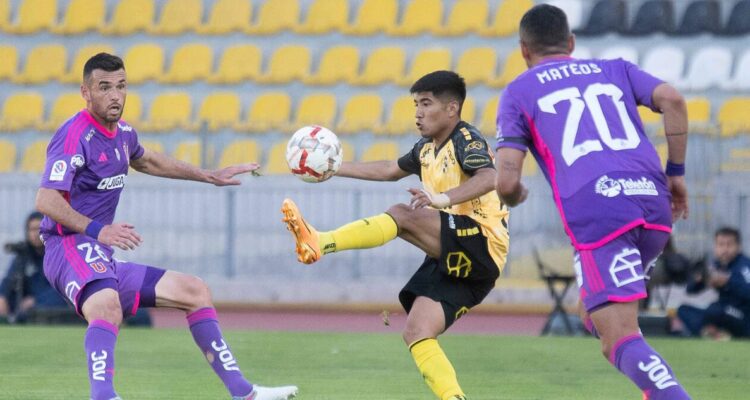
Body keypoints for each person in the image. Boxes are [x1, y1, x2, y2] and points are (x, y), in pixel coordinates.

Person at [34, 53, 297, 400]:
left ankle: (244, 393)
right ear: (86, 92)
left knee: (194, 290)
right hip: (67, 246)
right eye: (104, 87)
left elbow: (148, 159)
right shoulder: (73, 135)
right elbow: (46, 200)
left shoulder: (123, 134)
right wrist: (99, 230)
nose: (115, 95)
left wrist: (208, 175)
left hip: (98, 251)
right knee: (106, 307)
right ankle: (103, 396)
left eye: (121, 86)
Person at [494, 5, 691, 400]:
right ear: (570, 43)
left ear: (523, 50)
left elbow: (506, 180)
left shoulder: (518, 91)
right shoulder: (615, 68)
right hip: (653, 206)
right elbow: (672, 98)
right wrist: (676, 173)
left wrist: (514, 195)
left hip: (601, 213)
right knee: (595, 316)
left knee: (617, 336)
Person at [281, 70, 510, 400]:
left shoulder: (465, 140)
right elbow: (390, 169)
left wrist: (441, 199)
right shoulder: (426, 149)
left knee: (404, 215)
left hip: (482, 242)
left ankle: (320, 242)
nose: (417, 112)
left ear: (452, 109)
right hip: (462, 256)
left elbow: (489, 177)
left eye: (426, 103)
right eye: (416, 104)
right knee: (417, 331)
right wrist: (330, 167)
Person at [677, 227, 750, 338]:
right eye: (720, 245)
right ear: (715, 247)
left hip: (742, 315)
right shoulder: (715, 265)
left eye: (729, 245)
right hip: (720, 312)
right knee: (683, 310)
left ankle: (712, 332)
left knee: (715, 309)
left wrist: (728, 282)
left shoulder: (744, 266)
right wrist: (700, 280)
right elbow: (690, 290)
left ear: (738, 247)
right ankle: (716, 334)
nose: (725, 249)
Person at [0, 211, 68, 323]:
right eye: (31, 229)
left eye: (38, 229)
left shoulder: (58, 254)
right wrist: (2, 296)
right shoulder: (23, 255)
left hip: (52, 310)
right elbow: (9, 279)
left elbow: (63, 288)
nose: (35, 234)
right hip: (25, 311)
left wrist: (35, 301)